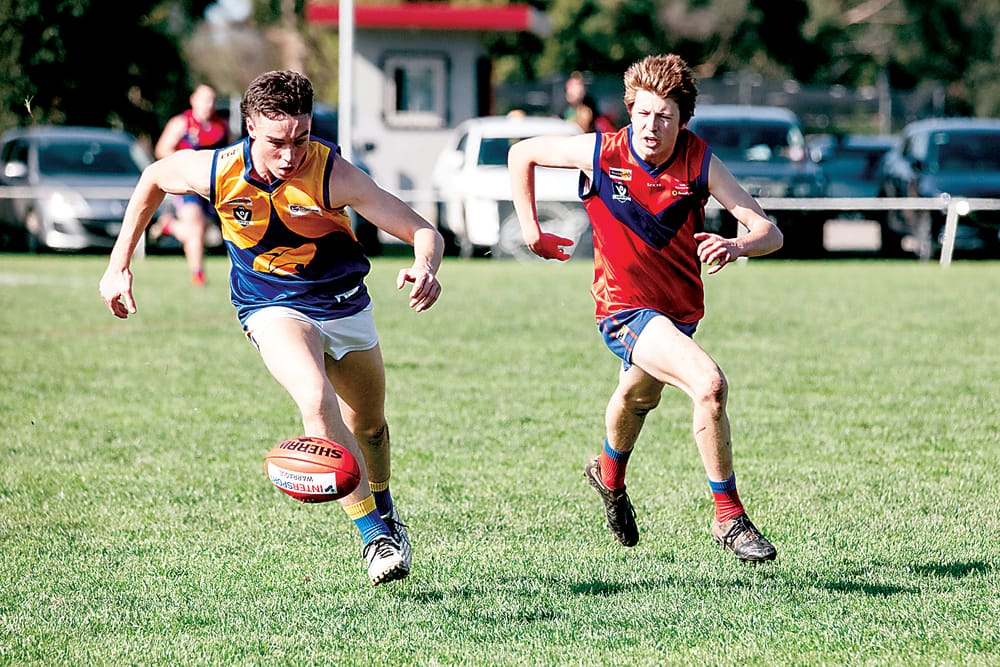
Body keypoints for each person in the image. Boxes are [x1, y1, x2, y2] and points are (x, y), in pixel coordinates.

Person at [100, 70, 444, 586]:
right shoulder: (218, 170)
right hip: (270, 304)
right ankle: (375, 535)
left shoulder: (332, 174)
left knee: (369, 425)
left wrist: (426, 266)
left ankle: (387, 511)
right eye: (276, 142)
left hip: (345, 305)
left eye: (301, 139)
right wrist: (118, 264)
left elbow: (421, 229)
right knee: (313, 396)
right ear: (248, 128)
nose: (290, 155)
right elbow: (152, 177)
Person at [508, 54, 783, 562]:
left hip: (678, 315)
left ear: (683, 120)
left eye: (666, 117)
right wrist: (531, 232)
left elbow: (769, 231)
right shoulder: (600, 151)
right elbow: (521, 153)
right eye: (644, 114)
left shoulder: (698, 160)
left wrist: (737, 245)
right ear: (630, 110)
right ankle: (729, 517)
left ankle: (608, 475)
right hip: (623, 310)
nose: (653, 127)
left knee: (637, 398)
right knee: (710, 385)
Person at [153, 84, 230, 286]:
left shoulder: (221, 126)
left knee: (200, 231)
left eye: (212, 100)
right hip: (187, 185)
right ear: (193, 100)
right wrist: (185, 165)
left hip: (212, 185)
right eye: (204, 99)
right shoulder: (181, 124)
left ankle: (169, 226)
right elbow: (161, 150)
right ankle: (198, 275)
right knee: (195, 226)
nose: (209, 104)